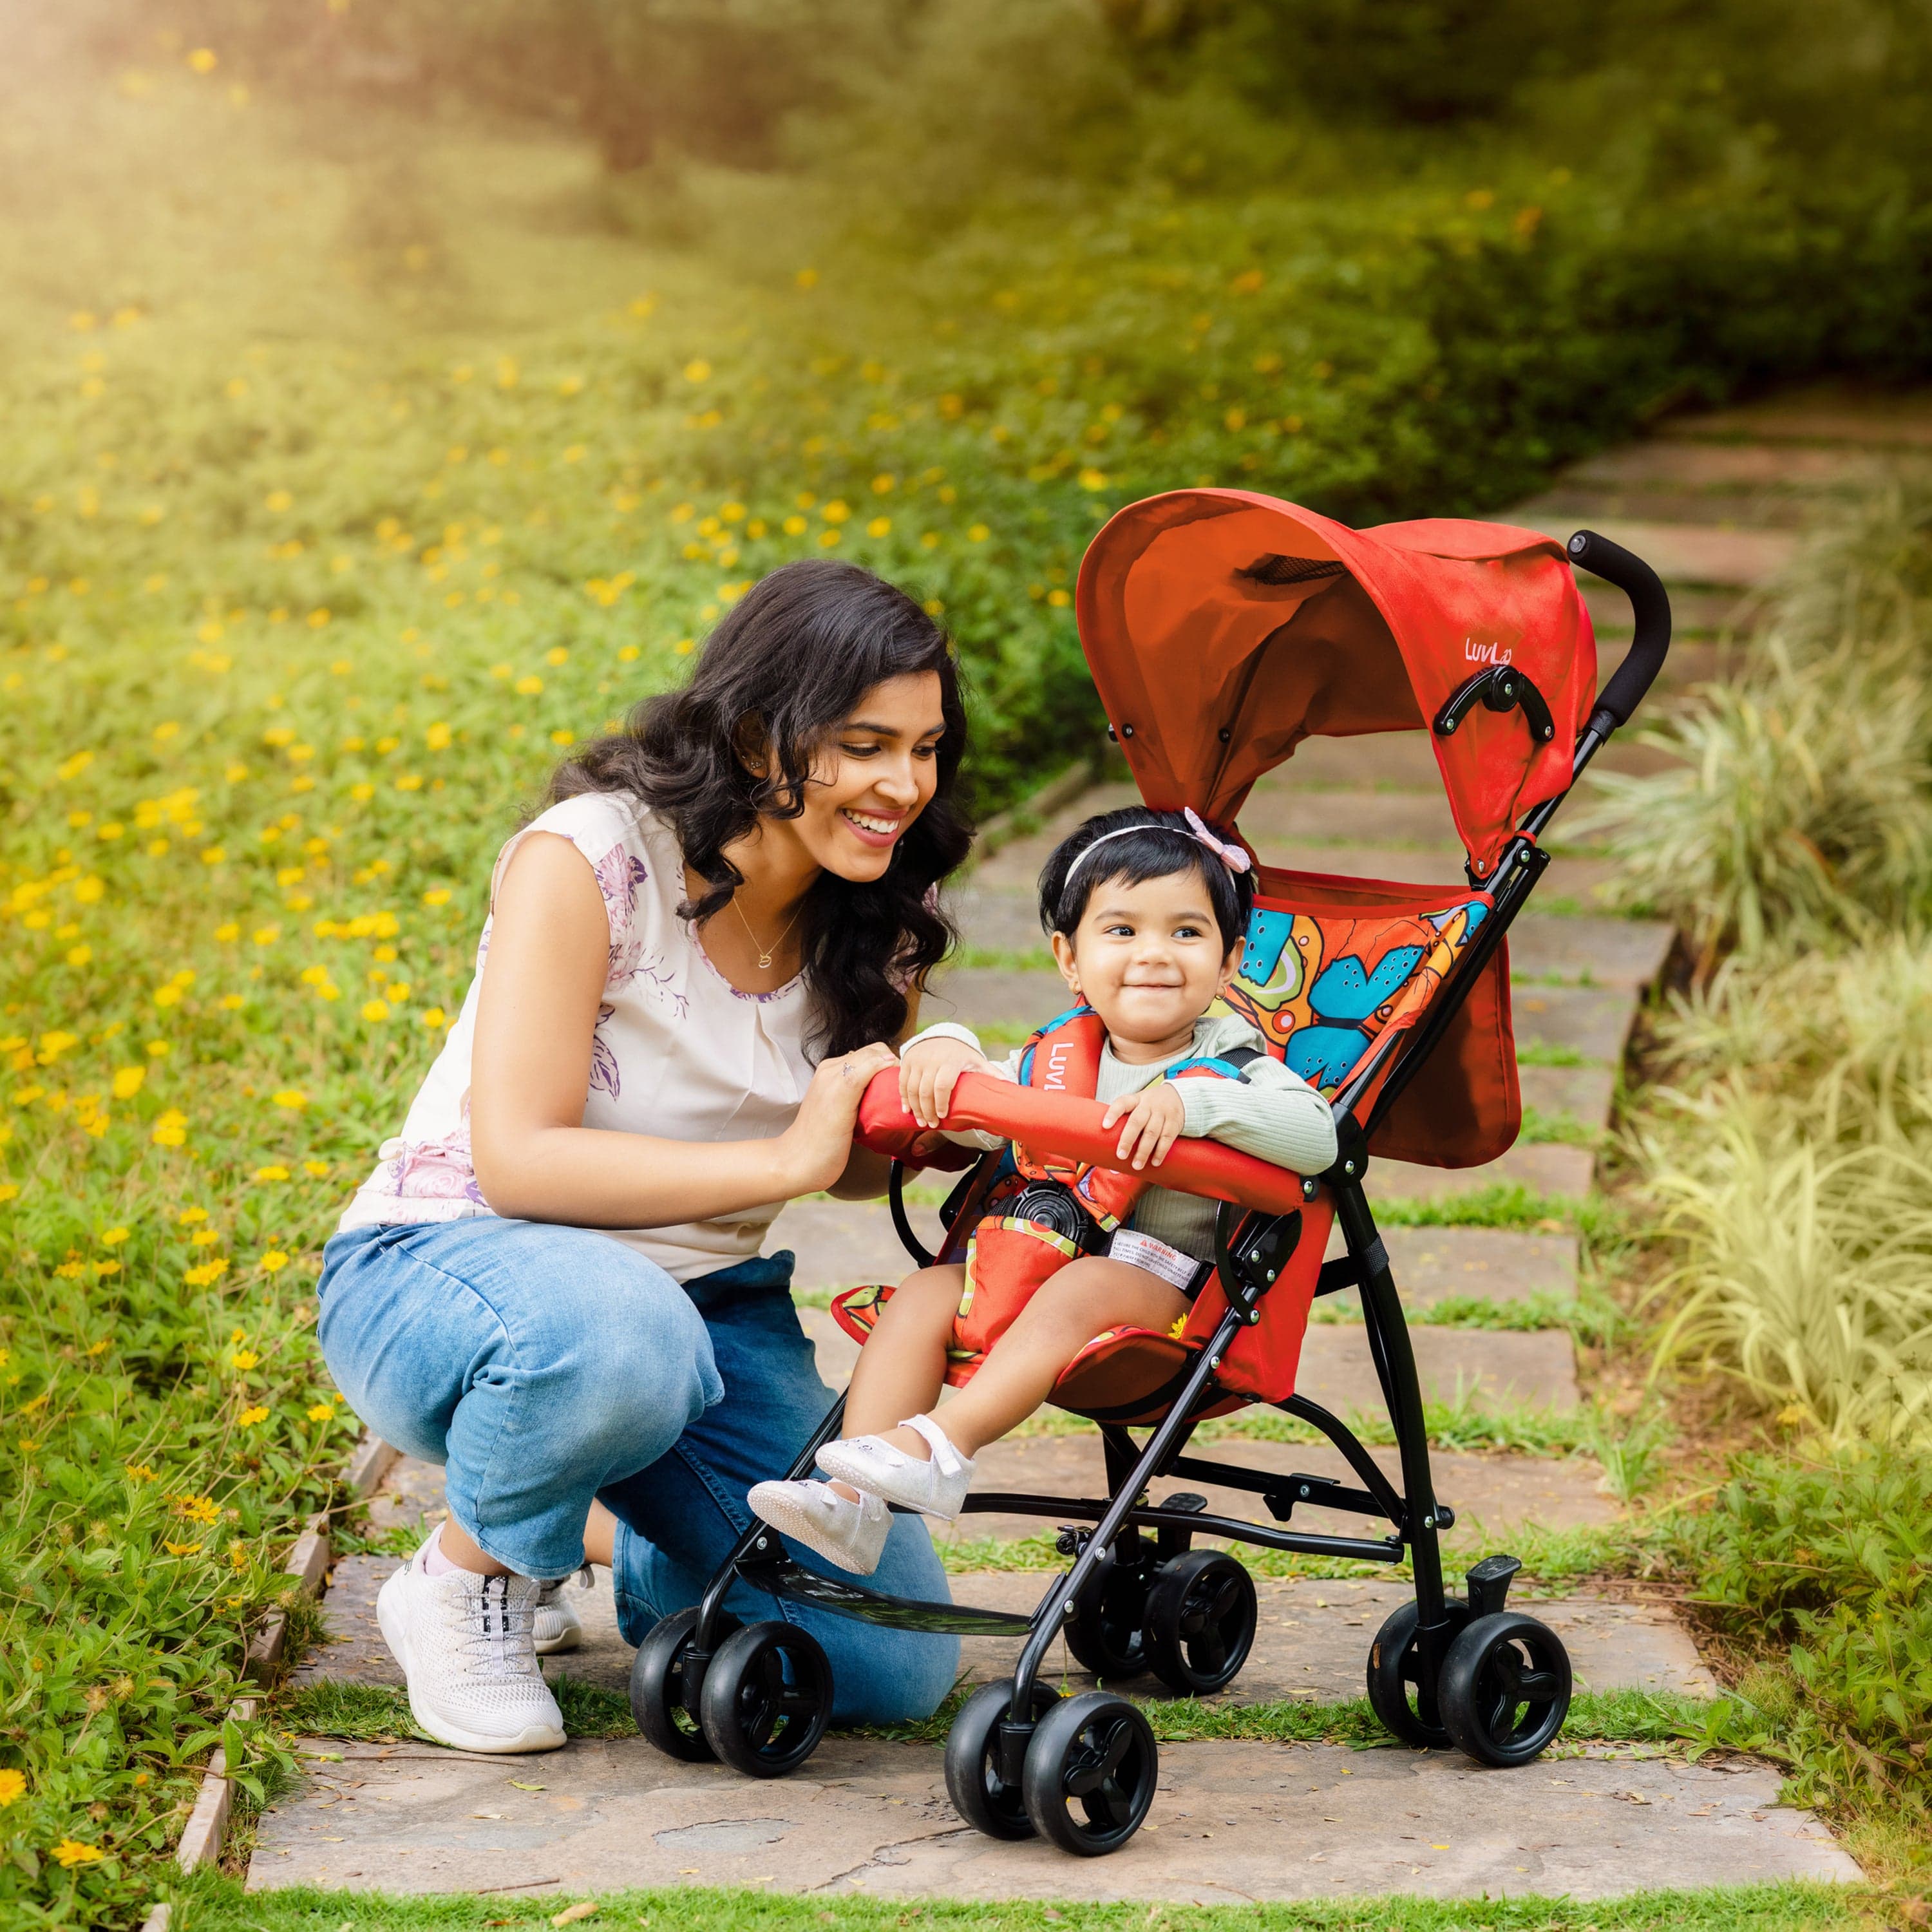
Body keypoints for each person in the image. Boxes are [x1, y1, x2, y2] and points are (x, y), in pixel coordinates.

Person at [315, 560, 971, 1754]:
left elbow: (855, 1168)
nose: (903, 786)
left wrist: (926, 1121)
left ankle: (570, 1529)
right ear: (758, 734)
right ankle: (463, 1579)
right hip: (453, 1270)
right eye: (865, 746)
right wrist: (787, 1160)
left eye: (924, 749)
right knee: (627, 1337)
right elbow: (520, 1162)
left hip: (702, 1317)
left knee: (891, 1657)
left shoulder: (875, 910)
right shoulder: (594, 857)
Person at [747, 804, 1339, 1573]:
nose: (1154, 954)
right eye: (1121, 930)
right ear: (1069, 958)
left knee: (1087, 1283)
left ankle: (943, 1448)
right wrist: (943, 1048)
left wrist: (1196, 1105)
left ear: (1229, 964)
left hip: (1164, 1291)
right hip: (1037, 1262)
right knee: (926, 1294)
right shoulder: (1053, 1061)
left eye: (1186, 933)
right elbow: (976, 1111)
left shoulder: (1236, 1066)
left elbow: (1318, 1137)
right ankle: (852, 1501)